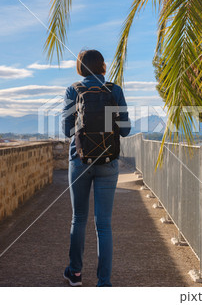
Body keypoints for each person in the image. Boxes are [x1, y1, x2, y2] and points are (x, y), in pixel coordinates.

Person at [61, 49, 131, 287]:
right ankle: (104, 283)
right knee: (103, 224)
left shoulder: (74, 90)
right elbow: (125, 130)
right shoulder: (114, 90)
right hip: (108, 161)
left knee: (78, 218)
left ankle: (76, 274)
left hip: (79, 160)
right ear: (102, 66)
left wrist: (83, 136)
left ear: (80, 67)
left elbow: (66, 129)